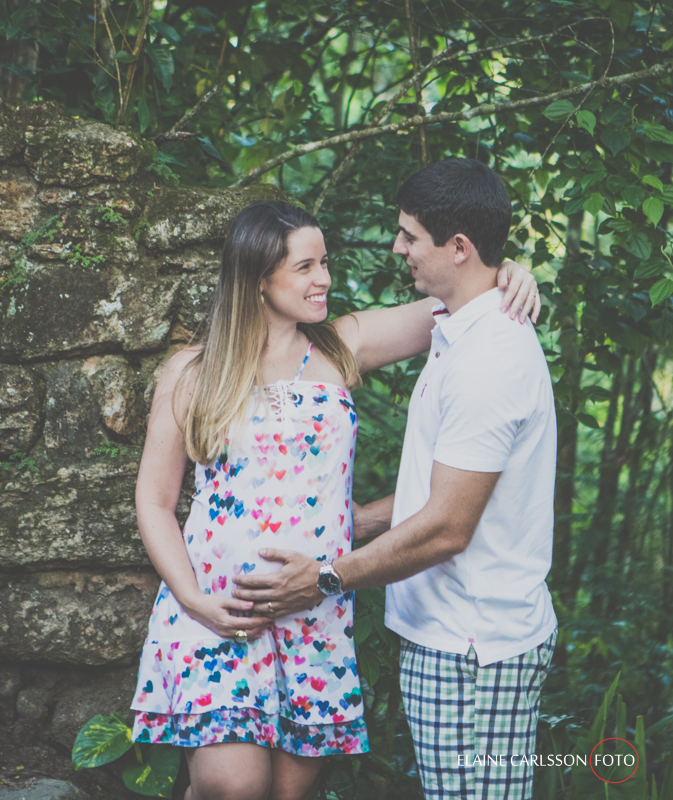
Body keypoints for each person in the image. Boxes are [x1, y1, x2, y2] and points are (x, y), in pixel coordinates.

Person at [129, 198, 541, 800]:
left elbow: (462, 294)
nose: (324, 278)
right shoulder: (193, 370)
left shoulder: (341, 345)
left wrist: (509, 273)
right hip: (220, 610)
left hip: (314, 612)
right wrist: (195, 601)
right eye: (305, 267)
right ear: (257, 277)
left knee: (286, 794)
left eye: (324, 262)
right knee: (231, 787)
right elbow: (154, 500)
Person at [234, 158, 558, 800]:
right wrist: (355, 521)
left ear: (458, 247)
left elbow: (447, 527)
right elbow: (447, 494)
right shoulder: (457, 327)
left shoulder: (486, 357)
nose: (396, 247)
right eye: (305, 266)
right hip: (447, 637)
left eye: (409, 235)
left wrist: (324, 576)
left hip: (473, 645)